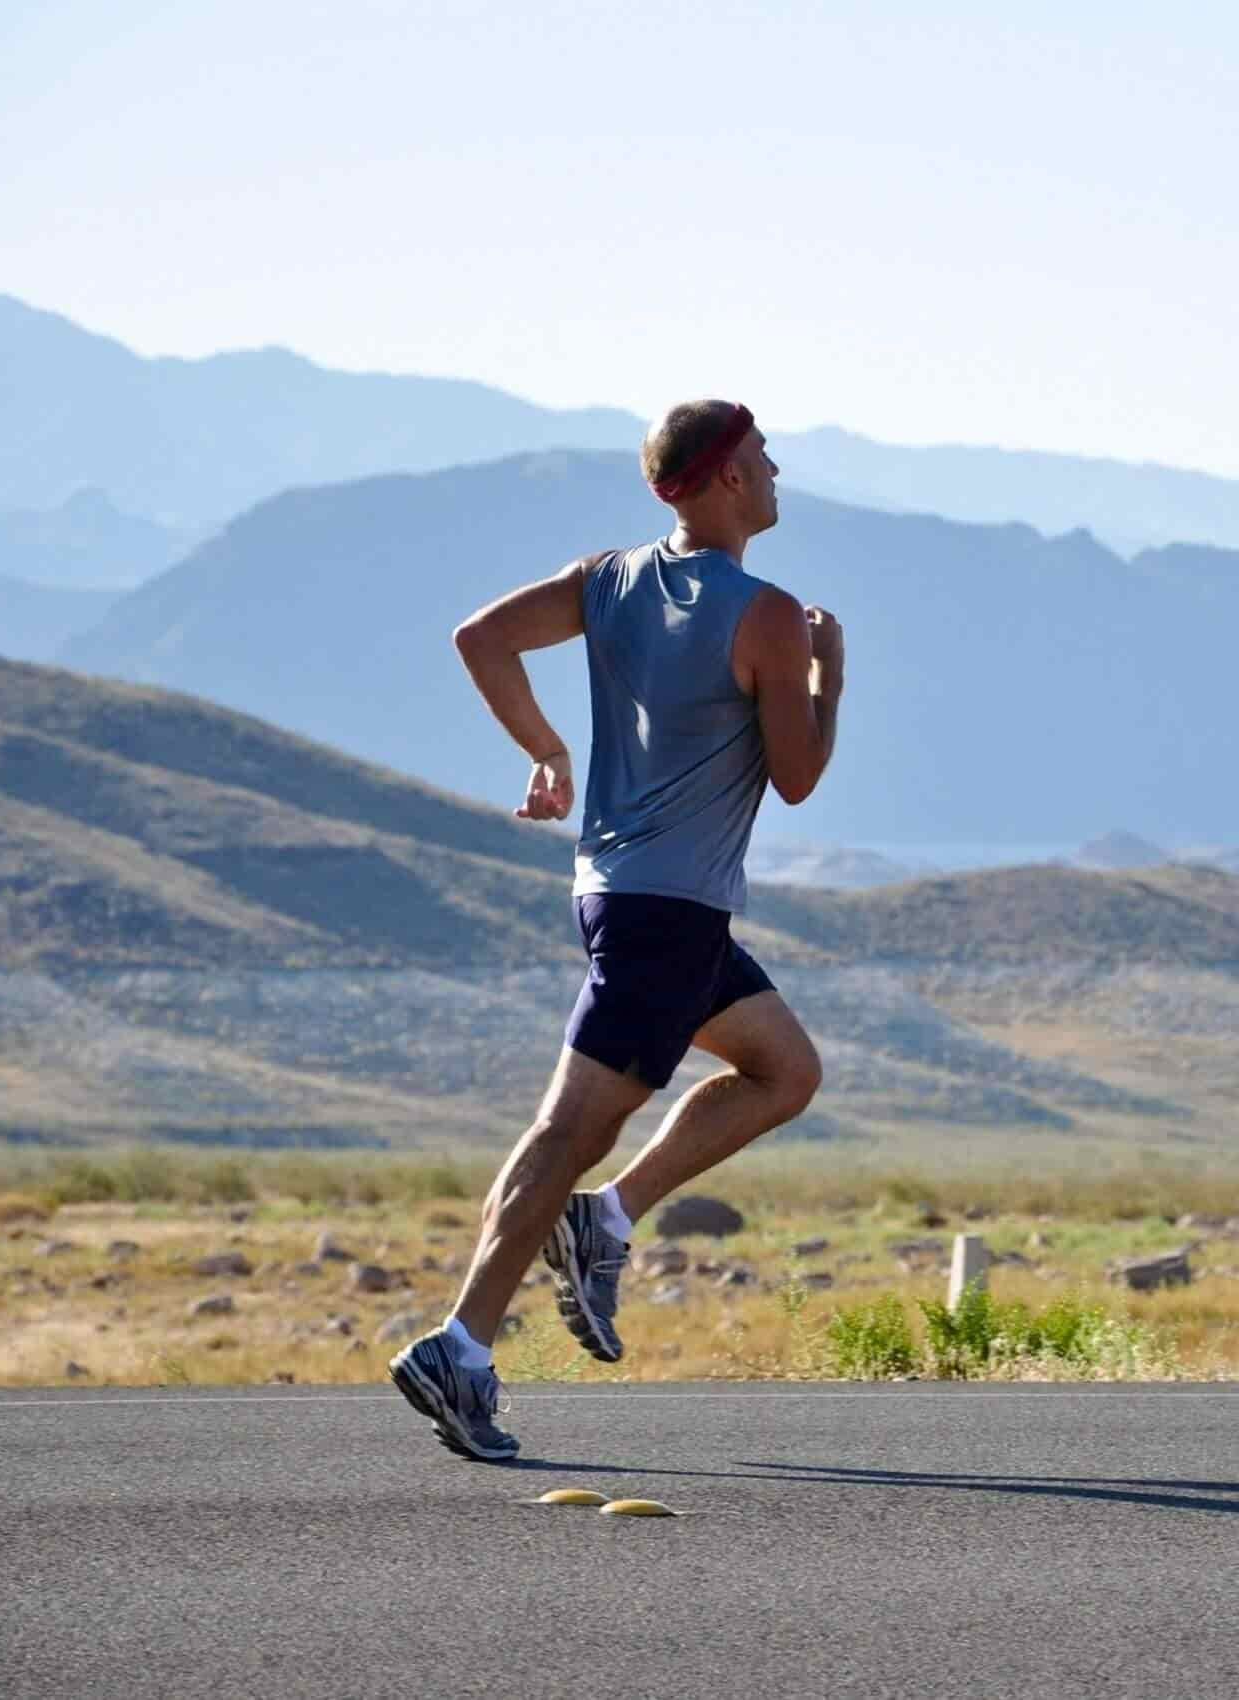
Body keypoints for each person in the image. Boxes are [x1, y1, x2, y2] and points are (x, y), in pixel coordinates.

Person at [388, 400, 843, 1460]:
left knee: (784, 1069)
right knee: (565, 1130)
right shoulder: (768, 615)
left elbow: (481, 636)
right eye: (765, 461)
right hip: (667, 913)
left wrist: (546, 750)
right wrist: (830, 674)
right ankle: (459, 1344)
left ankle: (608, 1217)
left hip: (624, 894)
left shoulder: (608, 577)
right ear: (726, 475)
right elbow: (798, 776)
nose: (777, 476)